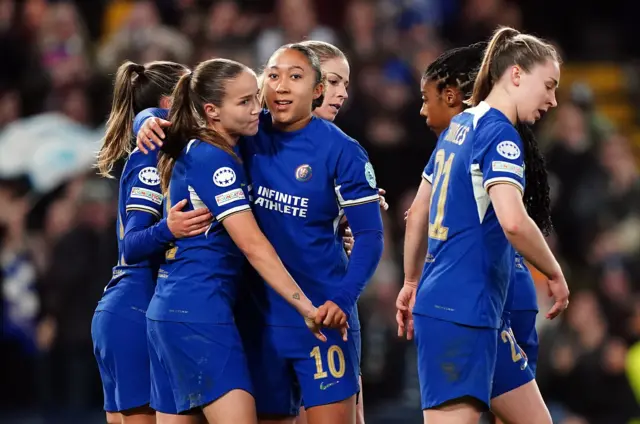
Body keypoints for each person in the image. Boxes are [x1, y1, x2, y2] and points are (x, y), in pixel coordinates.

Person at [135, 44, 383, 424]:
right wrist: (147, 118)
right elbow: (192, 111)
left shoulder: (343, 152)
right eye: (273, 76)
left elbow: (370, 236)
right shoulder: (248, 131)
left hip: (321, 319)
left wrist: (343, 298)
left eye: (295, 78)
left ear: (317, 90)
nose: (281, 87)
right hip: (258, 321)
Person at [398, 27, 569, 424]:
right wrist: (554, 272)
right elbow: (513, 221)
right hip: (460, 314)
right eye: (548, 85)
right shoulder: (498, 134)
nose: (553, 99)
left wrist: (410, 282)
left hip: (478, 315)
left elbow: (417, 213)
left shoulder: (459, 126)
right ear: (516, 75)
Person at [92, 60, 212, 424]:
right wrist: (170, 229)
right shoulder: (150, 156)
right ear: (167, 101)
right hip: (136, 309)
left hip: (125, 311)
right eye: (188, 90)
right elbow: (133, 244)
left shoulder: (166, 148)